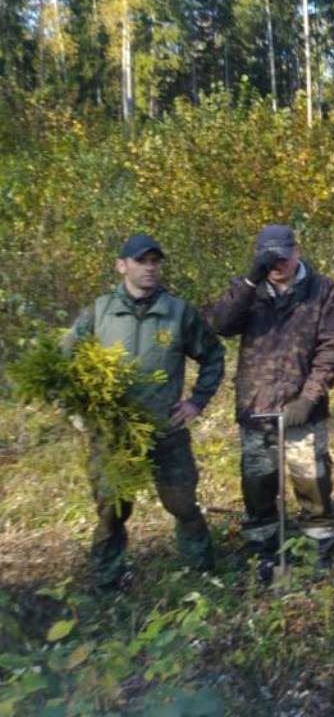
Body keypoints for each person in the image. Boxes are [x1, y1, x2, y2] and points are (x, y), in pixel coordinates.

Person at [65, 234, 225, 590]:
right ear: (121, 265)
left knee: (183, 505)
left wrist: (196, 401)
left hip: (166, 430)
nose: (150, 268)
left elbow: (213, 356)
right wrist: (78, 413)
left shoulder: (178, 312)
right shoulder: (100, 312)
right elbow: (65, 364)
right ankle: (108, 580)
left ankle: (200, 574)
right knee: (111, 510)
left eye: (155, 261)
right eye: (141, 261)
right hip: (113, 435)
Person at [208, 225, 334, 580]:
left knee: (312, 481)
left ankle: (318, 551)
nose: (277, 264)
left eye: (283, 256)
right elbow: (220, 323)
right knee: (259, 484)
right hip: (257, 408)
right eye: (269, 258)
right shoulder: (247, 290)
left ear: (296, 252)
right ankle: (265, 554)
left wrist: (309, 397)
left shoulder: (321, 290)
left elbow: (332, 347)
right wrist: (251, 281)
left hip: (302, 409)